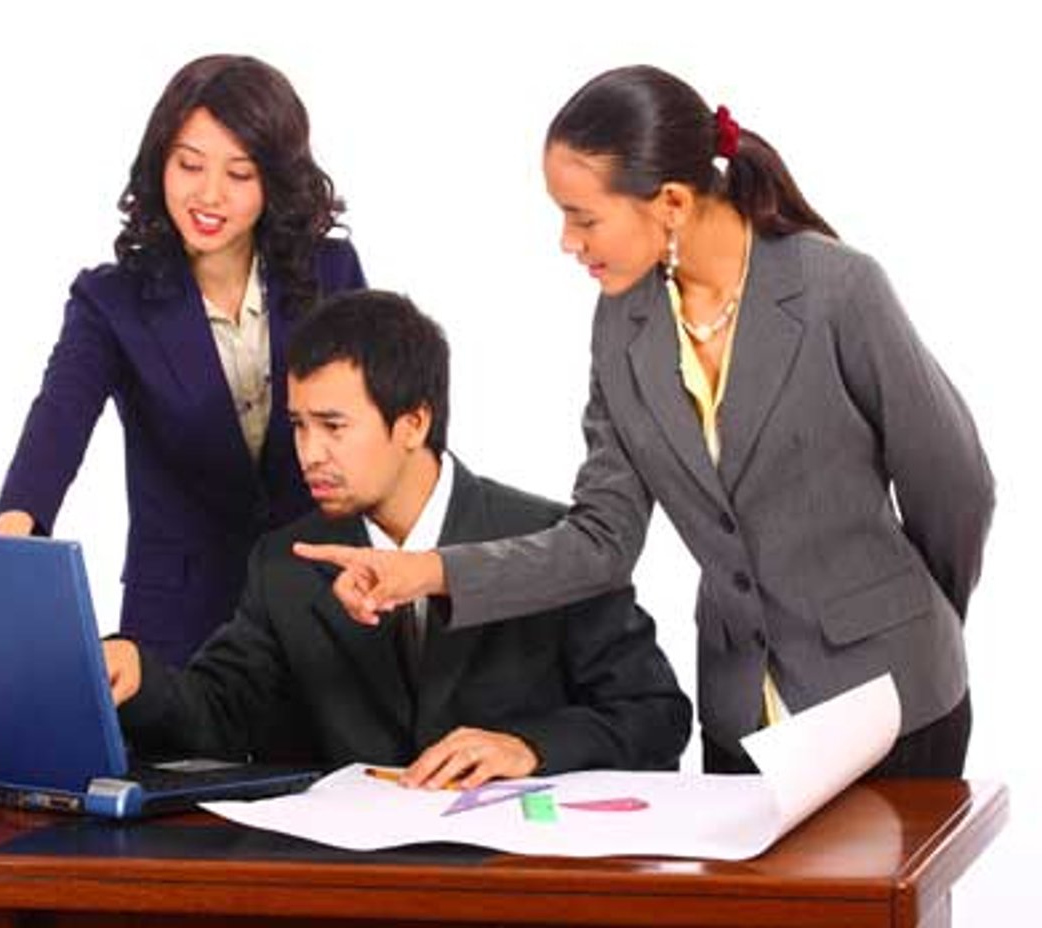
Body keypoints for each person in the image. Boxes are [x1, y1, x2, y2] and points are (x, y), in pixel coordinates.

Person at [295, 66, 995, 777]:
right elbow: (602, 540)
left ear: (671, 203)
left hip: (892, 702)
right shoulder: (621, 326)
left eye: (584, 217)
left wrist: (910, 614)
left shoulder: (837, 289)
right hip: (744, 714)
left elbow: (956, 485)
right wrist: (424, 572)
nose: (567, 241)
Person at [104, 290, 691, 787]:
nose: (309, 453)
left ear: (414, 423)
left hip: (516, 871)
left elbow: (655, 716)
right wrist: (139, 677)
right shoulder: (284, 562)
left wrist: (529, 747)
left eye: (333, 426)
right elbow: (220, 716)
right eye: (299, 426)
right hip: (350, 873)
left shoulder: (556, 543)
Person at [0, 55, 366, 665]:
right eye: (189, 165)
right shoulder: (111, 301)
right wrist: (12, 535)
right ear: (160, 161)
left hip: (320, 596)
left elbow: (377, 416)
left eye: (239, 173)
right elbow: (58, 419)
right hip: (179, 618)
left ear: (274, 179)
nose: (208, 194)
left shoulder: (331, 271)